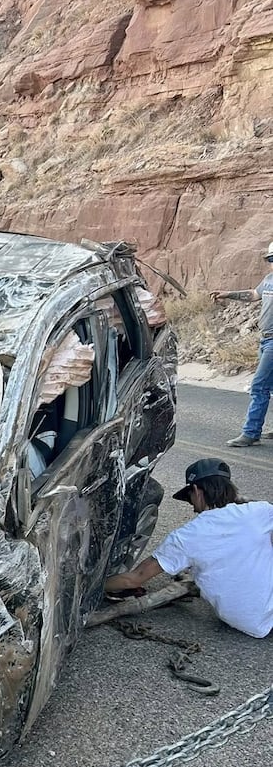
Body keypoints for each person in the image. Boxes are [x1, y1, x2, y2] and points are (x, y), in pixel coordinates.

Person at [104, 458, 273, 638]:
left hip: (245, 619)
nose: (192, 506)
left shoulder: (185, 537)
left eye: (189, 497)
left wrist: (91, 587)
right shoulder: (259, 512)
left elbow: (133, 580)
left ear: (196, 491)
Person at [211, 240, 273, 446]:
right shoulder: (268, 279)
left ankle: (251, 432)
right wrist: (228, 294)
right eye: (271, 259)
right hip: (265, 339)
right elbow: (253, 295)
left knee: (259, 387)